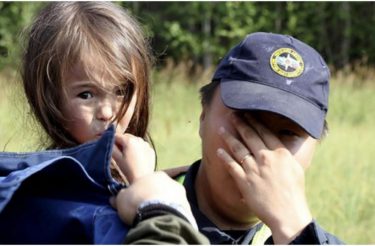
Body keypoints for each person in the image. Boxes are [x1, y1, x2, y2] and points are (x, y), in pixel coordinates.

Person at [0, 2, 208, 244]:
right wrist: (154, 198)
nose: (107, 112)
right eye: (86, 94)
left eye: (121, 91)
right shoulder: (44, 203)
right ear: (48, 98)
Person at [173, 32, 344, 244]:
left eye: (288, 133)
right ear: (203, 116)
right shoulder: (140, 209)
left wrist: (293, 229)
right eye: (245, 121)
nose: (261, 153)